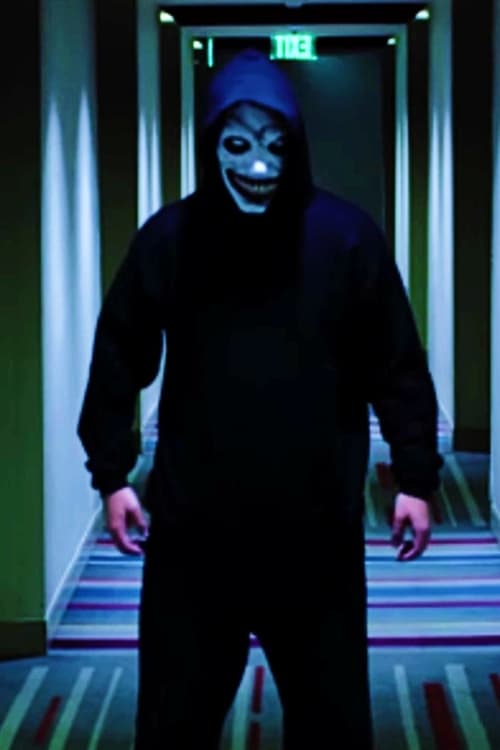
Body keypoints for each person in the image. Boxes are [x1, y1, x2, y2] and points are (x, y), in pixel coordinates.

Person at [77, 49, 443, 749]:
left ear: (297, 144)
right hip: (194, 535)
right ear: (211, 143)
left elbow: (395, 364)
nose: (259, 165)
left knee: (332, 722)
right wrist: (112, 476)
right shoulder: (171, 239)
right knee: (174, 723)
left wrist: (417, 479)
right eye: (238, 144)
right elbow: (119, 351)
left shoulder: (346, 239)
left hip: (316, 532)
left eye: (276, 144)